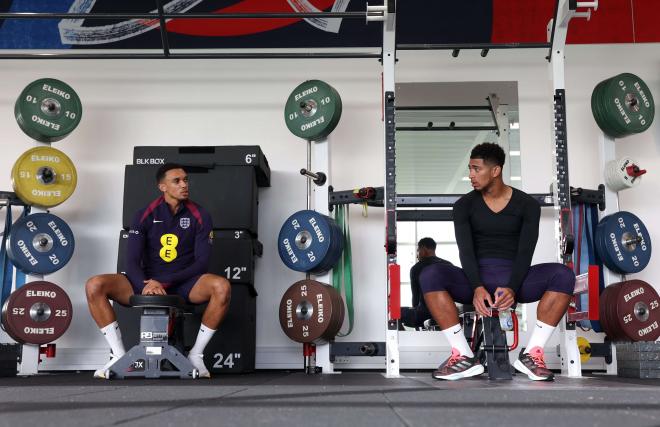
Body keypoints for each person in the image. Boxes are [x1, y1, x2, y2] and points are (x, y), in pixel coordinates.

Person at [420, 143, 575, 381]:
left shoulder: (527, 206)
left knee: (563, 275)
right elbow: (466, 251)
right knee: (430, 274)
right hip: (475, 279)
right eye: (469, 169)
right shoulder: (463, 206)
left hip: (516, 280)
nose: (470, 175)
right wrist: (476, 287)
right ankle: (462, 355)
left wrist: (513, 287)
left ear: (495, 171)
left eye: (476, 169)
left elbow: (526, 251)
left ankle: (532, 355)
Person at [85, 163, 231, 379]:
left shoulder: (200, 214)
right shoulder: (144, 214)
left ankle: (196, 356)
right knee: (94, 284)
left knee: (222, 286)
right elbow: (131, 261)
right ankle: (117, 355)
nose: (184, 184)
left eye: (185, 180)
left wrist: (163, 282)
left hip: (184, 282)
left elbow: (201, 264)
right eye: (177, 181)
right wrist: (148, 284)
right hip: (145, 282)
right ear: (162, 187)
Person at [401, 238, 453, 329]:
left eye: (418, 250)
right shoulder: (449, 265)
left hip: (425, 313)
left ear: (424, 249)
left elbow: (415, 299)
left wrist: (417, 320)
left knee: (395, 312)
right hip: (448, 312)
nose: (417, 255)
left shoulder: (416, 268)